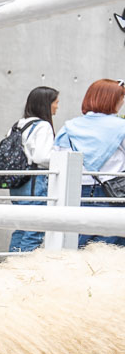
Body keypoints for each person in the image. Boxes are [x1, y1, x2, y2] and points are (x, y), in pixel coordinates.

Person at [54, 78, 125, 247]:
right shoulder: (121, 127)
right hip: (114, 193)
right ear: (112, 100)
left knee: (76, 243)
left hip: (75, 192)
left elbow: (58, 159)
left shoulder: (69, 127)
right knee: (112, 245)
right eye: (121, 98)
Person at [8, 86, 59, 252]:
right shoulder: (43, 126)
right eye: (55, 102)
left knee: (22, 227)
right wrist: (61, 158)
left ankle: (12, 263)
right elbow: (41, 157)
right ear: (46, 104)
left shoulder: (18, 125)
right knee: (35, 229)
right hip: (35, 183)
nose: (57, 107)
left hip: (18, 183)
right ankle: (25, 265)